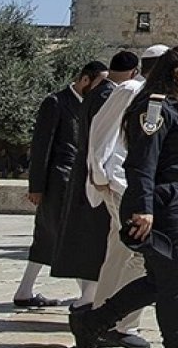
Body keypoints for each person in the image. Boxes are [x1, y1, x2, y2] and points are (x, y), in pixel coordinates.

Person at [68, 46, 178, 348]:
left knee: (163, 280)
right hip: (162, 206)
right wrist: (142, 208)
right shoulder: (154, 108)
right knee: (176, 280)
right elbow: (143, 162)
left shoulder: (174, 109)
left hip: (177, 204)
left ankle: (93, 323)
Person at [86, 44, 168, 348]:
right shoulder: (131, 90)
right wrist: (100, 174)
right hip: (121, 183)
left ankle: (103, 318)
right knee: (139, 255)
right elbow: (101, 131)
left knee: (121, 253)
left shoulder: (152, 95)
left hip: (132, 184)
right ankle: (118, 323)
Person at [14, 61, 108, 307]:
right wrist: (36, 186)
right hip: (58, 180)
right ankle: (89, 295)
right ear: (85, 80)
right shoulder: (56, 102)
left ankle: (24, 291)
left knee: (48, 237)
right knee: (66, 237)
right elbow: (41, 145)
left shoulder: (88, 106)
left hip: (75, 179)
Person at [54, 52, 138, 312]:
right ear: (134, 72)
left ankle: (93, 295)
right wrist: (102, 174)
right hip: (99, 173)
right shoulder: (112, 94)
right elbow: (104, 135)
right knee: (98, 238)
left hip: (89, 170)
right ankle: (92, 297)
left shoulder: (98, 91)